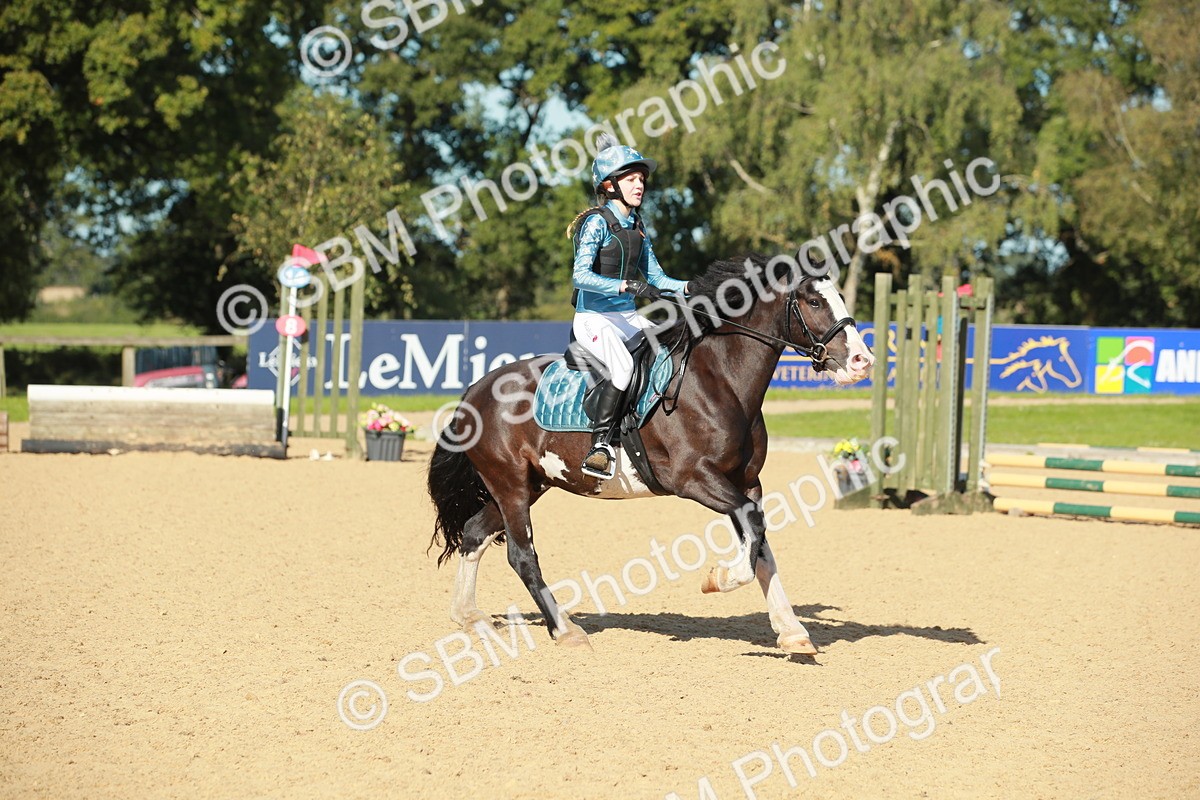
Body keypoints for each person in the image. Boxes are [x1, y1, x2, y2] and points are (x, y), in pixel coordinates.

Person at [566, 133, 690, 479]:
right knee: (621, 366)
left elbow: (659, 278)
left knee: (668, 348)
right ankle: (600, 445)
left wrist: (695, 288)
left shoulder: (637, 225)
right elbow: (580, 277)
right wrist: (624, 284)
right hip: (593, 319)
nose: (640, 185)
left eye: (642, 179)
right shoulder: (595, 223)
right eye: (632, 179)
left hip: (626, 316)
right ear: (609, 185)